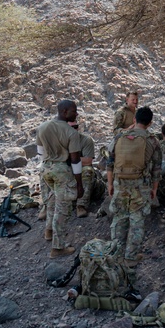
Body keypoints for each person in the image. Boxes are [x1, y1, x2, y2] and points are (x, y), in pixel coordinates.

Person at [106, 106, 162, 267]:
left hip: (120, 183)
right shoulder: (152, 141)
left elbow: (110, 164)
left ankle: (116, 254)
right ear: (150, 123)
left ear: (134, 120)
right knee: (137, 221)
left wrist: (110, 184)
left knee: (119, 218)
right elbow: (157, 168)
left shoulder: (118, 137)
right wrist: (154, 189)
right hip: (140, 186)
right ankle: (130, 257)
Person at [36, 100, 84, 258]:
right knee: (63, 208)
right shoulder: (71, 133)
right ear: (64, 111)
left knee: (51, 200)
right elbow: (75, 160)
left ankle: (49, 231)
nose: (76, 114)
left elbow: (40, 153)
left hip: (46, 169)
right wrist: (79, 184)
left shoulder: (42, 127)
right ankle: (58, 247)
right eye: (73, 111)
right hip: (61, 170)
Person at [72, 120, 105, 219]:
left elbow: (87, 161)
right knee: (47, 169)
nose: (73, 130)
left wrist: (68, 159)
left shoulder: (85, 140)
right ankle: (47, 204)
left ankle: (81, 205)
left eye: (75, 127)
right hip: (69, 176)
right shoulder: (59, 142)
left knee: (87, 170)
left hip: (85, 180)